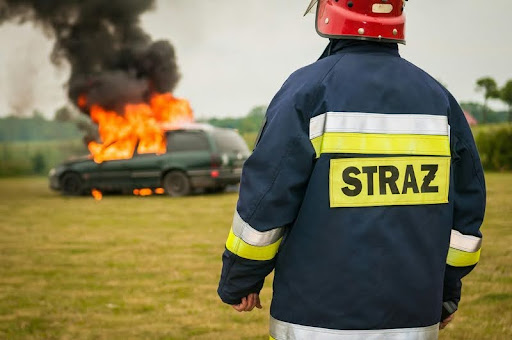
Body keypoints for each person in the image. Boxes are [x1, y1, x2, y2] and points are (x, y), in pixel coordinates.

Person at [217, 1, 486, 339]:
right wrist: (445, 293)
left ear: (327, 11)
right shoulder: (438, 98)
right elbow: (465, 219)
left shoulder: (308, 91)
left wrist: (241, 279)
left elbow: (266, 200)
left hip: (315, 320)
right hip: (414, 317)